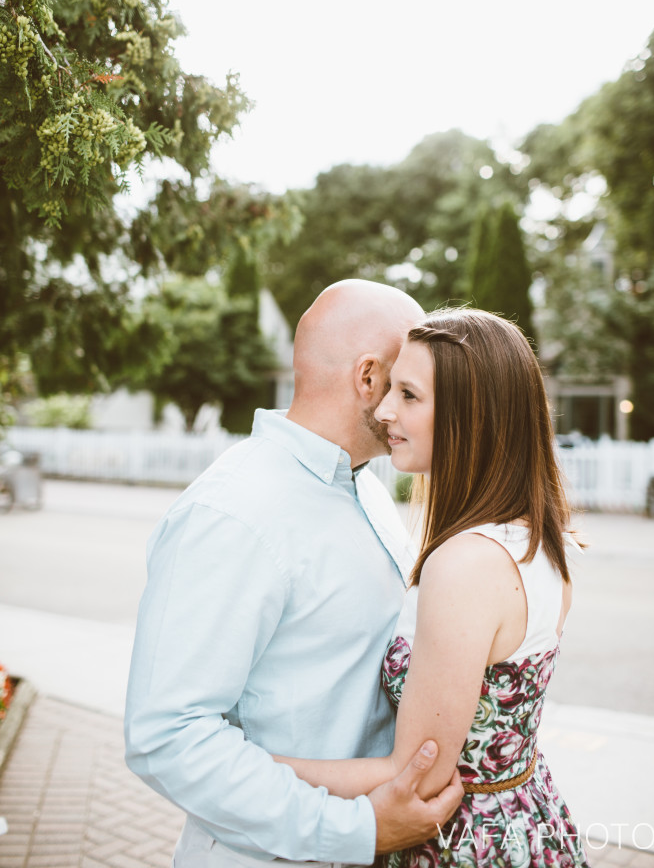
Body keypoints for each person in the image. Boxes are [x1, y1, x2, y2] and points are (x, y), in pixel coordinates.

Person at [124, 279, 464, 868]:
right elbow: (168, 737)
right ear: (367, 377)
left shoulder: (369, 491)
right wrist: (355, 829)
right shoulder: (232, 514)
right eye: (407, 378)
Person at [273, 307, 590, 867]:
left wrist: (254, 765)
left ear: (473, 415)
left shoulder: (466, 563)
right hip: (528, 815)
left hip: (462, 842)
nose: (386, 409)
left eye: (410, 395)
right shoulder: (534, 537)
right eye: (390, 387)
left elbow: (415, 771)